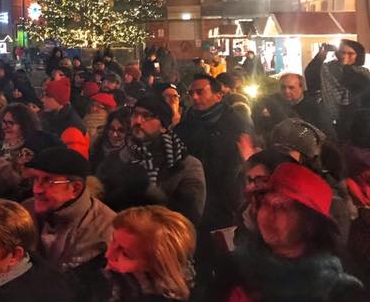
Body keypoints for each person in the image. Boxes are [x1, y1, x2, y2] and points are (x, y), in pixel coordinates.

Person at [207, 162, 370, 302]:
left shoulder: (341, 292)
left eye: (283, 208)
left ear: (311, 224)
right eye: (266, 204)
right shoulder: (237, 268)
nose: (269, 215)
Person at [23, 147, 114, 293]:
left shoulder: (103, 230)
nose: (36, 189)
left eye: (48, 181)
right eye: (35, 179)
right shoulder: (26, 211)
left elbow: (73, 290)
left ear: (75, 189)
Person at [175, 74, 248, 238]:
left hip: (225, 203)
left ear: (218, 95)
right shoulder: (185, 125)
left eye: (200, 92)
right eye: (191, 93)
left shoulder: (235, 124)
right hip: (193, 200)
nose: (194, 97)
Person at [125, 94, 206, 226]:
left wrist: (150, 192)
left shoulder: (186, 165)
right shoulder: (119, 157)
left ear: (163, 127)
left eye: (147, 116)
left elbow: (187, 221)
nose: (138, 121)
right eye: (135, 114)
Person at [306, 39, 370, 139]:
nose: (345, 56)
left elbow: (353, 82)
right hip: (331, 121)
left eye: (350, 53)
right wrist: (320, 57)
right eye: (342, 52)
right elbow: (311, 74)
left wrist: (345, 66)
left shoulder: (364, 73)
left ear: (358, 55)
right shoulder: (327, 68)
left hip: (357, 122)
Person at [253, 73, 333, 138]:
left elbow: (325, 134)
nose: (286, 91)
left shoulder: (314, 108)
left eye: (291, 88)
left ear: (301, 87)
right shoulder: (272, 102)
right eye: (283, 87)